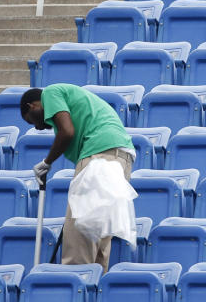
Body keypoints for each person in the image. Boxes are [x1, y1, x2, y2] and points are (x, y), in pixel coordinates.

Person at [20, 83, 136, 270]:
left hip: (100, 157)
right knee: (98, 238)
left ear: (31, 106)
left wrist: (46, 163)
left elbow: (67, 132)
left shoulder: (50, 93)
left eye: (31, 121)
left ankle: (74, 289)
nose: (38, 128)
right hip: (120, 158)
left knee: (79, 239)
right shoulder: (75, 108)